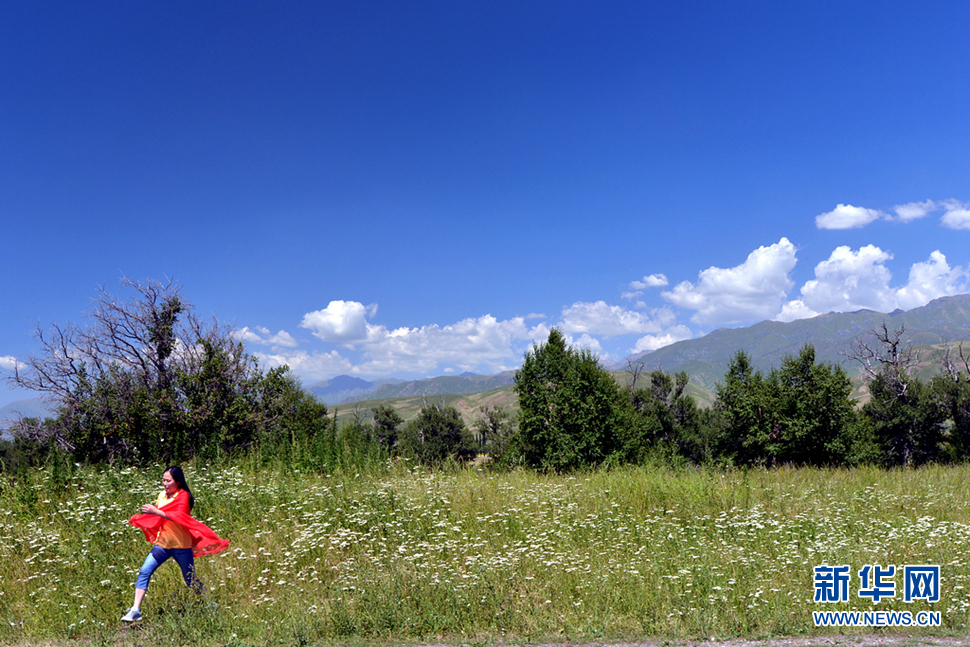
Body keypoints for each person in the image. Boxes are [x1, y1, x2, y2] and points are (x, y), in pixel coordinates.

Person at [121, 466, 230, 622]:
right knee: (145, 571)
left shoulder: (183, 496)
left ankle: (210, 604)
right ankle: (135, 610)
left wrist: (155, 511)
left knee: (190, 580)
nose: (165, 483)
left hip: (181, 546)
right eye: (163, 480)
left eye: (168, 480)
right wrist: (147, 517)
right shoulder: (162, 495)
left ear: (177, 482)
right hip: (162, 544)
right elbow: (160, 516)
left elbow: (178, 516)